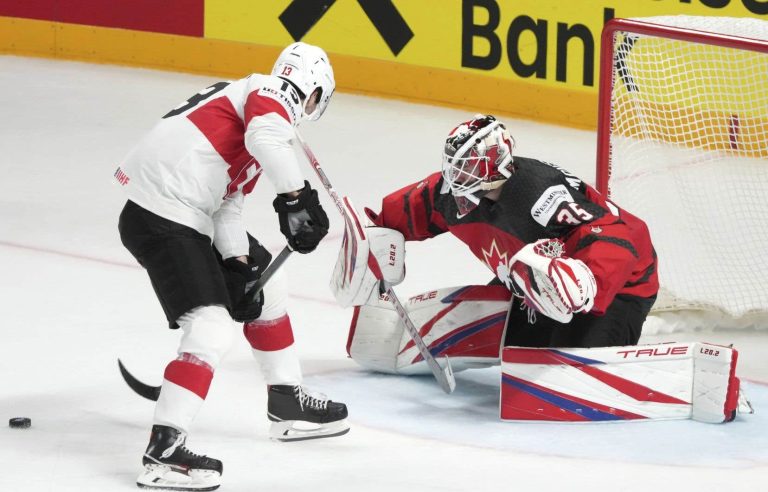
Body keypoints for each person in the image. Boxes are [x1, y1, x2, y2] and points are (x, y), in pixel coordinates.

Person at [115, 42, 348, 491]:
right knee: (211, 328)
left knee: (267, 286)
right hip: (161, 217)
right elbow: (267, 140)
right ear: (314, 91)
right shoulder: (270, 95)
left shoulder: (248, 105)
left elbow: (228, 204)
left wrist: (239, 265)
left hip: (186, 213)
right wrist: (296, 198)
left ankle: (286, 403)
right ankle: (162, 454)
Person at [342, 114, 659, 375]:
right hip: (534, 280)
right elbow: (416, 207)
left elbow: (623, 234)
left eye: (466, 166)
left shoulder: (539, 195)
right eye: (455, 165)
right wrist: (376, 231)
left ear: (494, 162)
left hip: (619, 287)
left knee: (570, 374)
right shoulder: (452, 196)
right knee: (513, 348)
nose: (455, 175)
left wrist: (589, 280)